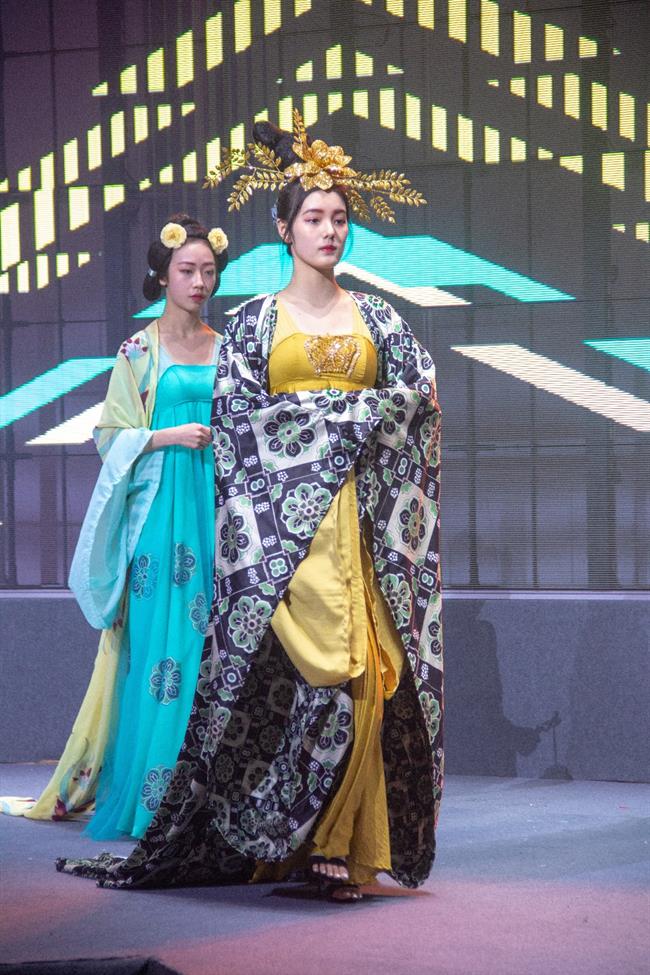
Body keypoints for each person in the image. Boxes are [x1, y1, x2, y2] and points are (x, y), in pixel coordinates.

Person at [57, 114, 443, 900]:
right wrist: (344, 417)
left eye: (339, 218)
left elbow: (419, 401)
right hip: (282, 539)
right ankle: (296, 839)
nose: (329, 230)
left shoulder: (381, 320)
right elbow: (239, 424)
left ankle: (345, 845)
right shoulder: (255, 325)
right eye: (314, 217)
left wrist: (350, 418)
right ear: (283, 228)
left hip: (362, 528)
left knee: (371, 676)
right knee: (302, 685)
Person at [3, 214, 229, 840]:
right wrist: (167, 435)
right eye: (187, 270)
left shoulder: (228, 348)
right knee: (159, 651)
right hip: (160, 512)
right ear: (163, 275)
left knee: (210, 648)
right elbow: (109, 436)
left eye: (208, 272)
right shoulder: (139, 352)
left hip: (215, 507)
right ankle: (152, 799)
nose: (199, 282)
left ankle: (207, 802)